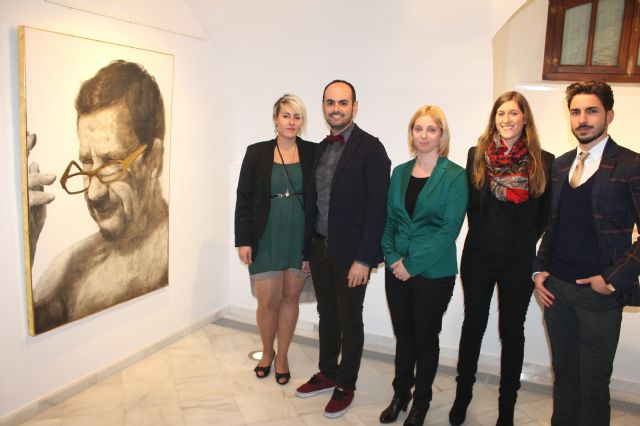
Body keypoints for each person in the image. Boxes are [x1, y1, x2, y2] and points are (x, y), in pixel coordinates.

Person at [28, 60, 169, 334]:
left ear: (153, 160)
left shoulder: (178, 255)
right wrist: (25, 246)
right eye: (86, 163)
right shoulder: (66, 274)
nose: (93, 193)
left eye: (112, 163)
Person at [533, 80, 640, 426]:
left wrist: (611, 280)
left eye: (591, 111)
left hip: (599, 296)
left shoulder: (631, 164)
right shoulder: (560, 165)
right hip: (556, 292)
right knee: (564, 376)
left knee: (593, 385)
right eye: (576, 111)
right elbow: (552, 225)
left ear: (609, 115)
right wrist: (539, 272)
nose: (582, 119)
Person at [448, 91, 554, 426]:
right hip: (478, 257)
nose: (506, 119)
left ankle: (506, 408)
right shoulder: (477, 155)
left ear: (525, 118)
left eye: (513, 113)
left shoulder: (544, 161)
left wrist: (521, 242)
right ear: (494, 119)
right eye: (500, 114)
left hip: (518, 261)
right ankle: (462, 396)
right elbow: (471, 206)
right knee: (473, 326)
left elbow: (543, 218)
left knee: (512, 332)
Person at [295, 80, 390, 418]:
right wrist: (306, 251)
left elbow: (378, 209)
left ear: (354, 106)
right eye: (330, 102)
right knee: (327, 313)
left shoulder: (371, 148)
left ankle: (346, 384)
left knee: (350, 319)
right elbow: (313, 203)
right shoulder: (321, 147)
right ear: (323, 106)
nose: (336, 109)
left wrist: (364, 259)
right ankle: (328, 372)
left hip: (352, 256)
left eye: (343, 103)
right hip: (319, 248)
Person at [380, 105, 467, 426]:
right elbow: (389, 221)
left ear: (441, 135)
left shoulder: (455, 175)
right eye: (418, 128)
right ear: (411, 133)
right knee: (404, 337)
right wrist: (392, 258)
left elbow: (449, 230)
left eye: (431, 129)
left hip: (433, 273)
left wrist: (412, 265)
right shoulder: (400, 172)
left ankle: (421, 402)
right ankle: (401, 393)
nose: (424, 135)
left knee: (425, 339)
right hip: (397, 269)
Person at [234, 93, 316, 385]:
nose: (291, 122)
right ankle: (267, 353)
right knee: (267, 302)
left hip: (299, 237)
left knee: (290, 298)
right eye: (286, 116)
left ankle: (283, 356)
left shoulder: (313, 153)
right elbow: (244, 198)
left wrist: (314, 246)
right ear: (275, 119)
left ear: (301, 121)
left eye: (297, 116)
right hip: (265, 236)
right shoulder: (256, 152)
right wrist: (243, 240)